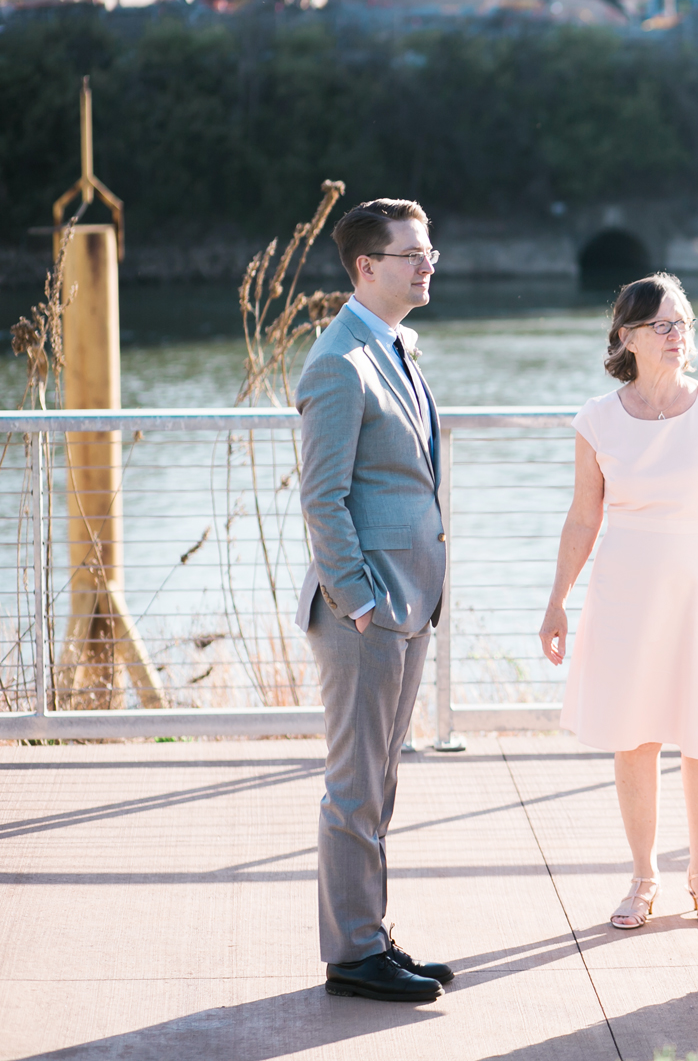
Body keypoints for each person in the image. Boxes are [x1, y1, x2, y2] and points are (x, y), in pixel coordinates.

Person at [539, 273, 698, 929]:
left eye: (684, 323)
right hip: (625, 589)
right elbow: (583, 518)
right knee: (634, 734)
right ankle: (643, 876)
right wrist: (557, 599)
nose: (677, 336)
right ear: (627, 337)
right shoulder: (597, 419)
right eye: (663, 325)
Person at [295, 199, 452, 1002]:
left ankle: (369, 932)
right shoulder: (338, 361)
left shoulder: (393, 346)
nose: (428, 263)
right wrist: (358, 599)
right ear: (367, 266)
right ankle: (354, 954)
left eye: (429, 251)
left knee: (380, 779)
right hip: (369, 610)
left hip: (408, 602)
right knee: (355, 784)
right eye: (411, 254)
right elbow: (322, 499)